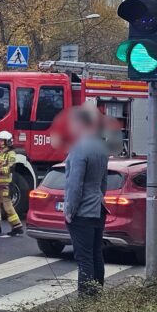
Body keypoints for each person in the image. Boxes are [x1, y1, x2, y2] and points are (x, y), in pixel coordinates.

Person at [62, 106, 108, 296]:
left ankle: (86, 301)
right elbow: (103, 183)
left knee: (84, 258)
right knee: (96, 254)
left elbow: (75, 185)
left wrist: (69, 211)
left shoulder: (79, 148)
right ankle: (97, 295)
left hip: (83, 212)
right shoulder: (101, 148)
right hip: (98, 209)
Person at [0, 131, 24, 236]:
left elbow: (11, 167)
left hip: (6, 184)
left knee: (7, 205)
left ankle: (17, 226)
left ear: (8, 141)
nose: (0, 143)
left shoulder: (11, 153)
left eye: (2, 140)